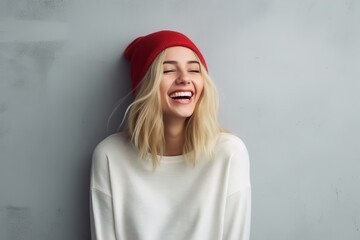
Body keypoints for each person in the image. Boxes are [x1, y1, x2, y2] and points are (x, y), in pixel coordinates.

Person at [90, 30, 251, 240]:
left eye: (194, 70)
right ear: (145, 85)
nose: (184, 79)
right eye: (168, 71)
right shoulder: (110, 156)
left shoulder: (229, 154)